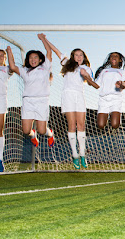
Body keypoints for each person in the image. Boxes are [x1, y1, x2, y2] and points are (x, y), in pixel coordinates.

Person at [43, 37, 96, 169]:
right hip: (67, 95)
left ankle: (82, 154)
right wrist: (44, 39)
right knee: (72, 125)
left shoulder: (86, 68)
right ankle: (75, 155)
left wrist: (85, 75)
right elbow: (56, 50)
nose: (78, 57)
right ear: (72, 57)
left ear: (84, 57)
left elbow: (91, 83)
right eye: (76, 55)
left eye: (81, 55)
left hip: (79, 96)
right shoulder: (67, 63)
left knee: (81, 125)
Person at [7, 34, 55, 149]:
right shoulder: (25, 70)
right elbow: (13, 67)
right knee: (25, 130)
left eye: (35, 58)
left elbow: (49, 52)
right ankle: (33, 135)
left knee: (42, 131)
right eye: (30, 58)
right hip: (28, 101)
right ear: (28, 60)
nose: (33, 60)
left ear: (39, 59)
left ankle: (51, 134)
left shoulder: (45, 67)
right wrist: (9, 51)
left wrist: (43, 39)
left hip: (42, 101)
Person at [93, 51, 125, 130]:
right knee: (101, 125)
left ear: (120, 60)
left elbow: (124, 85)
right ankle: (106, 116)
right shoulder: (104, 71)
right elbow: (97, 85)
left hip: (116, 98)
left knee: (115, 124)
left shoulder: (123, 72)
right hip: (103, 99)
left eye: (116, 56)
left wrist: (120, 85)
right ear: (109, 60)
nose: (113, 57)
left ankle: (113, 118)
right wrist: (87, 78)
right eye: (112, 56)